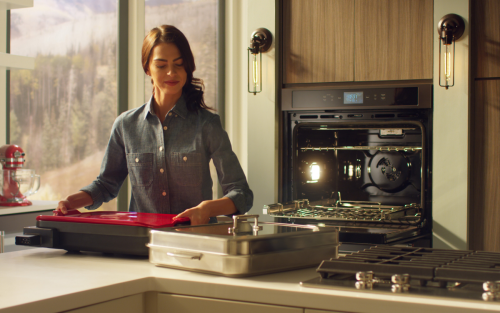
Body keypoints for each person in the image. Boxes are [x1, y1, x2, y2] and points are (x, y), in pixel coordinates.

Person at [56, 25, 253, 225]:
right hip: (141, 242)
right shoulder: (125, 125)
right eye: (161, 65)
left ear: (188, 67)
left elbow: (241, 193)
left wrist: (207, 208)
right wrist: (72, 201)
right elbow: (106, 185)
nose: (171, 72)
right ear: (147, 68)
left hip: (195, 241)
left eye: (179, 64)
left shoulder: (207, 125)